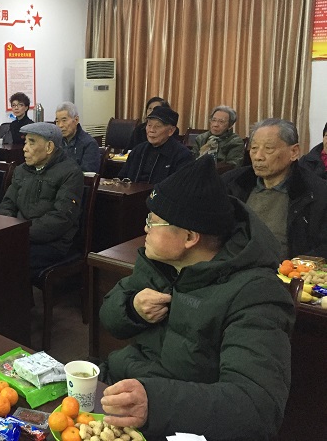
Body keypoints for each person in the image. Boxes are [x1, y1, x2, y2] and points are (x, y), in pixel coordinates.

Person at [99, 155, 295, 441]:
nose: (145, 229)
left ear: (190, 238)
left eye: (153, 222)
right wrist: (132, 309)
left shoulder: (256, 294)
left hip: (176, 421)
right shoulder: (160, 263)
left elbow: (257, 406)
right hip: (119, 387)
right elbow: (109, 318)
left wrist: (154, 402)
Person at [222, 118, 327, 258]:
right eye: (254, 148)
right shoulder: (232, 182)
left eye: (268, 148)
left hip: (284, 269)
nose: (258, 157)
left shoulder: (316, 193)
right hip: (231, 264)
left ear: (294, 152)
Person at [0, 122, 83, 273]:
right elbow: (7, 204)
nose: (25, 148)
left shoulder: (70, 172)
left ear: (49, 147)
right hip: (19, 235)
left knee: (7, 259)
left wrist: (20, 232)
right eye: (25, 142)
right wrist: (10, 229)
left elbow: (61, 218)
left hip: (52, 243)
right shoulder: (21, 170)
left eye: (31, 143)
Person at [118, 105, 194, 183]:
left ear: (171, 131)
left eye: (158, 126)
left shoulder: (182, 155)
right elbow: (122, 179)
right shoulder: (138, 150)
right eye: (149, 125)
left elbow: (180, 186)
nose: (151, 130)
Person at [55, 101, 101, 173]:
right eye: (57, 121)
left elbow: (87, 173)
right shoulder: (56, 142)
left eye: (64, 120)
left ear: (76, 120)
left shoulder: (89, 144)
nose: (60, 125)